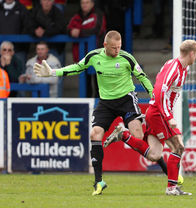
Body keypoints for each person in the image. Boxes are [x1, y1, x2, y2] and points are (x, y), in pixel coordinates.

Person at [32, 30, 168, 196]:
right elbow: (77, 68)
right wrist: (53, 72)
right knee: (95, 134)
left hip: (126, 100)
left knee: (138, 137)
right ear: (105, 45)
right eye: (113, 48)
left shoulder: (127, 58)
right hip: (106, 102)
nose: (117, 51)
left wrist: (154, 96)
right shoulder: (94, 56)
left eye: (119, 47)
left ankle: (164, 167)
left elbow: (143, 77)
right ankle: (98, 182)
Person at [104, 39, 196, 196]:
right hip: (158, 113)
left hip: (157, 113)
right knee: (178, 146)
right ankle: (172, 189)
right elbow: (160, 92)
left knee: (155, 155)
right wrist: (169, 117)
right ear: (191, 53)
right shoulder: (173, 68)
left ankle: (124, 135)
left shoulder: (183, 69)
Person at [68, 0, 106, 97]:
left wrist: (80, 32)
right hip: (82, 56)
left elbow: (98, 30)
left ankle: (100, 108)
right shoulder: (76, 17)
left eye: (87, 2)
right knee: (85, 84)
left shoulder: (98, 14)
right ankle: (86, 108)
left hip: (98, 55)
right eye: (82, 3)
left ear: (92, 4)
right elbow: (68, 28)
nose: (84, 5)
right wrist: (71, 32)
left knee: (99, 84)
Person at [30, 0, 66, 65]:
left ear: (53, 2)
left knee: (58, 73)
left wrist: (45, 32)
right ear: (40, 1)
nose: (46, 2)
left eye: (49, 0)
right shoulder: (34, 11)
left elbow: (61, 28)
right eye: (44, 0)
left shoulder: (58, 12)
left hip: (56, 48)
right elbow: (28, 25)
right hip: (39, 48)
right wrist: (35, 30)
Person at [0, 0, 32, 66]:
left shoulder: (22, 9)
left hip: (18, 49)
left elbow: (28, 27)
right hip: (0, 48)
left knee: (19, 72)